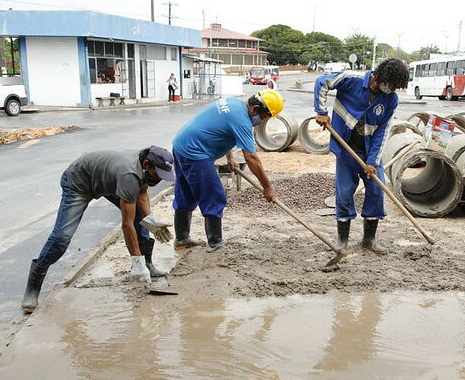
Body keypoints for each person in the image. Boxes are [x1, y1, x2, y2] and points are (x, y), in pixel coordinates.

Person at [21, 146, 176, 313]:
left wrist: (150, 219)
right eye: (158, 174)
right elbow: (126, 224)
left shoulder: (145, 167)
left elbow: (142, 192)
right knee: (62, 237)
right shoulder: (130, 175)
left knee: (141, 219)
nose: (159, 178)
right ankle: (32, 289)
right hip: (78, 183)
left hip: (106, 180)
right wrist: (135, 261)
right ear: (146, 164)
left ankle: (147, 264)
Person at [313, 58, 410, 254]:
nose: (393, 89)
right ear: (383, 77)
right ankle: (342, 241)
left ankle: (369, 240)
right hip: (345, 149)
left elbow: (382, 132)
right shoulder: (352, 80)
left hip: (369, 152)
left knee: (376, 191)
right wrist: (321, 111)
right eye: (392, 85)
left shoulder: (391, 100)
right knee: (344, 193)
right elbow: (322, 82)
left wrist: (372, 161)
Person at [171, 90, 283, 251]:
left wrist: (230, 157)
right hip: (195, 153)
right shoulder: (242, 121)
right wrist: (267, 186)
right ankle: (215, 243)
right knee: (214, 195)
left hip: (181, 144)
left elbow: (222, 130)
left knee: (185, 193)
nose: (263, 120)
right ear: (255, 108)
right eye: (265, 116)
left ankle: (182, 238)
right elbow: (251, 158)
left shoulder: (233, 103)